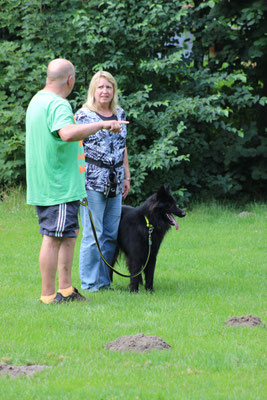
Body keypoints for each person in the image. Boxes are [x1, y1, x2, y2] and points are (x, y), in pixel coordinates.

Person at [26, 59, 128, 304]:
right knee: (53, 237)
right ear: (70, 80)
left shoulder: (37, 101)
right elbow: (67, 133)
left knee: (69, 235)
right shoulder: (58, 104)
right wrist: (102, 124)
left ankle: (66, 290)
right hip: (57, 183)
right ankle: (49, 295)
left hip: (52, 182)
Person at [75, 71, 130, 292]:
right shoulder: (83, 115)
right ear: (93, 91)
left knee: (110, 232)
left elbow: (123, 146)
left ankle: (104, 282)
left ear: (114, 90)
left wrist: (127, 175)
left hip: (116, 180)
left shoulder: (120, 113)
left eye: (108, 87)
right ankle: (89, 285)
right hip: (92, 181)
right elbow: (74, 147)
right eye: (100, 87)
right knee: (92, 234)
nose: (105, 91)